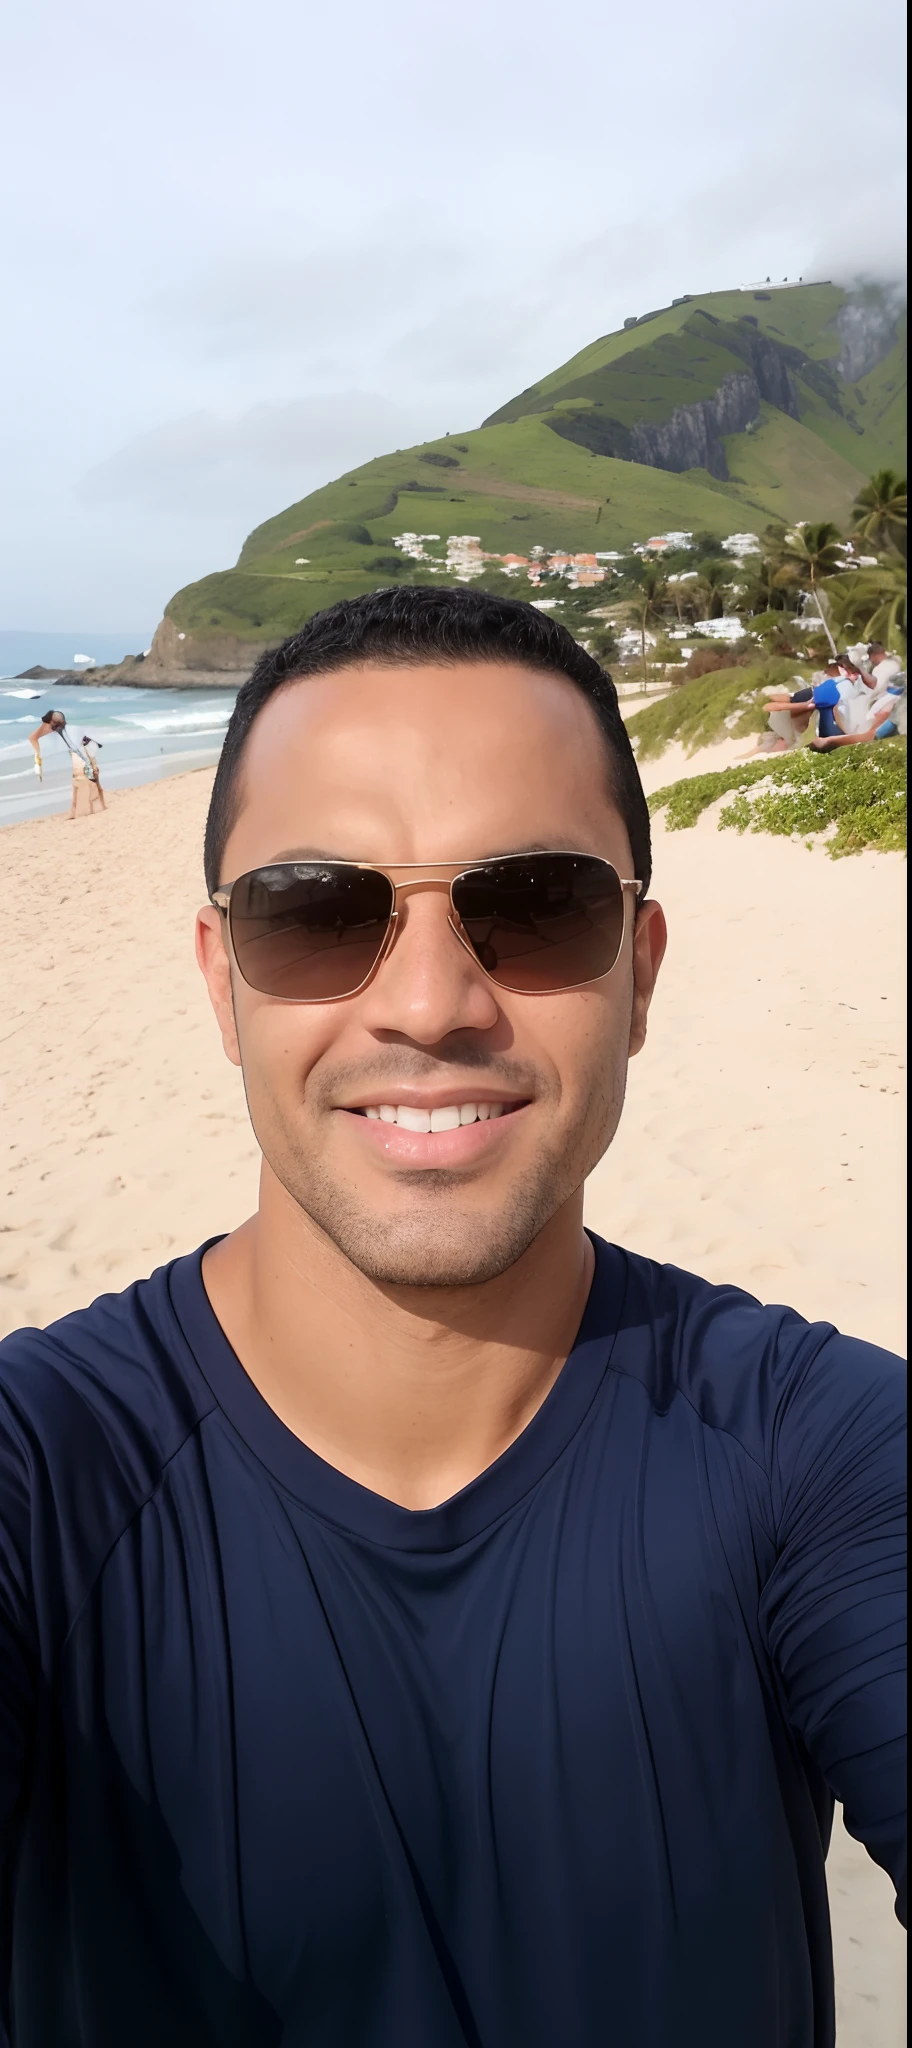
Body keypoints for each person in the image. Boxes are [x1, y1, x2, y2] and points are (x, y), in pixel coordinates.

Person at [0, 588, 905, 2048]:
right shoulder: (41, 1473)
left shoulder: (827, 1453)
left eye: (533, 906)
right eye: (315, 911)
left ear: (643, 973)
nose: (430, 1002)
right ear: (221, 982)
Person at [28, 708, 106, 817]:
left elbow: (81, 746)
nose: (50, 727)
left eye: (51, 724)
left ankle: (86, 810)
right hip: (82, 757)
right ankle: (96, 807)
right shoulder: (65, 731)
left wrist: (89, 762)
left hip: (82, 759)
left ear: (56, 724)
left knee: (84, 784)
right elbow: (87, 742)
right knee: (86, 785)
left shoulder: (69, 732)